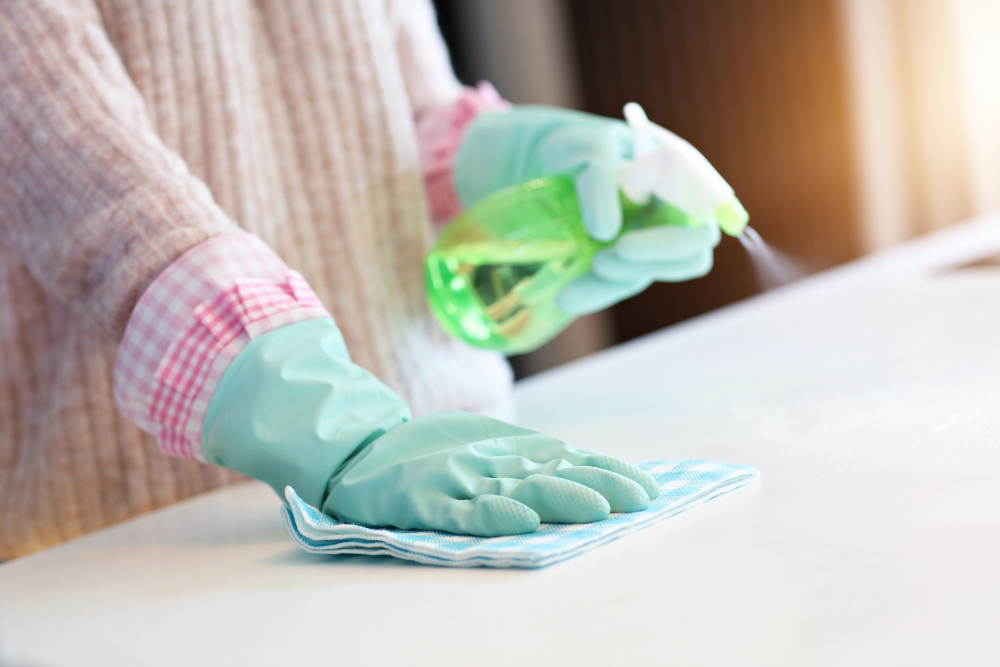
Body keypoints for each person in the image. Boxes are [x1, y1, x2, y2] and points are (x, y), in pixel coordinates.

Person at [0, 0, 719, 559]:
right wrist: (325, 426)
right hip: (137, 546)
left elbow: (391, 107)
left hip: (455, 470)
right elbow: (89, 189)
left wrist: (515, 166)